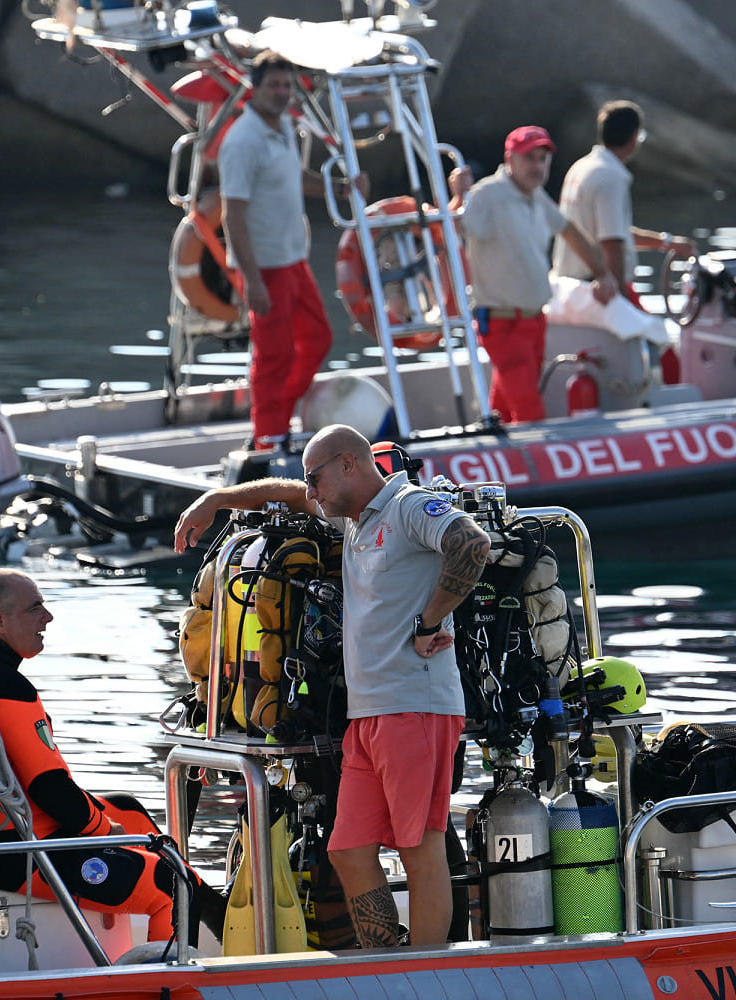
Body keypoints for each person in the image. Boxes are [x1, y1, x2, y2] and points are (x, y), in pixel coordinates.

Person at [173, 424, 490, 948]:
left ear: (349, 464)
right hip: (368, 715)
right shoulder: (353, 519)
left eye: (316, 478)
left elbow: (471, 544)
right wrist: (218, 498)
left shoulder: (408, 507)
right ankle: (385, 958)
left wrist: (431, 621)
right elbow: (283, 492)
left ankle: (427, 971)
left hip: (414, 705)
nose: (311, 492)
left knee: (420, 848)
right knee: (348, 849)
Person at [0, 569, 221, 943]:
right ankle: (176, 978)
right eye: (35, 608)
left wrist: (108, 821)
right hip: (16, 855)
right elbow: (48, 788)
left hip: (11, 836)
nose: (48, 617)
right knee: (171, 884)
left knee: (128, 810)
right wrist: (103, 831)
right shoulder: (3, 685)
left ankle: (222, 921)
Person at [218, 52, 367, 450]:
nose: (282, 93)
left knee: (317, 338)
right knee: (273, 356)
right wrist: (251, 280)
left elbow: (294, 179)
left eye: (287, 85)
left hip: (293, 259)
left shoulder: (283, 126)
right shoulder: (242, 141)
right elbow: (232, 215)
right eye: (274, 86)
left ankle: (278, 417)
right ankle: (268, 439)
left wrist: (339, 189)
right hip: (264, 267)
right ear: (255, 88)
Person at [448, 125, 618, 424]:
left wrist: (603, 273)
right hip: (503, 324)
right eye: (529, 158)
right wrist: (458, 197)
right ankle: (535, 466)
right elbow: (452, 229)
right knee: (529, 408)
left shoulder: (535, 196)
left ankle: (495, 449)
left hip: (533, 320)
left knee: (505, 402)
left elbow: (568, 229)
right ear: (510, 158)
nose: (537, 166)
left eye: (542, 159)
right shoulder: (487, 195)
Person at [551, 100, 695, 304]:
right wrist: (621, 299)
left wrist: (667, 243)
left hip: (569, 288)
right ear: (635, 138)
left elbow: (616, 231)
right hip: (596, 292)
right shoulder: (611, 176)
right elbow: (611, 242)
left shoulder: (580, 168)